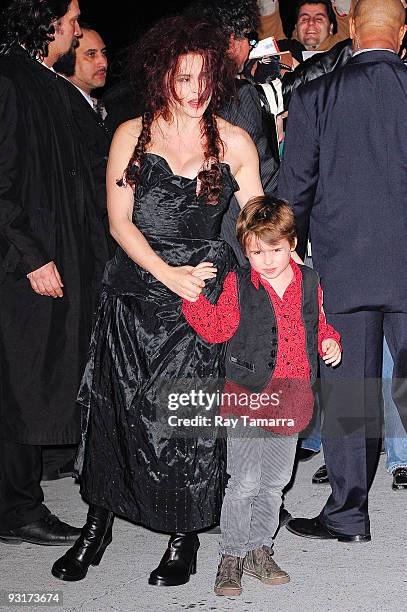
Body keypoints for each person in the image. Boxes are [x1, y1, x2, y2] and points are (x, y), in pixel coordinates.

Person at [51, 16, 264, 586]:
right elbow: (120, 224)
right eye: (183, 78)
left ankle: (182, 536)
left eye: (204, 79)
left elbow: (254, 223)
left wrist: (280, 264)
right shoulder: (131, 135)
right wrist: (168, 275)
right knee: (117, 414)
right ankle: (96, 528)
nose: (195, 91)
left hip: (200, 300)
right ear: (161, 78)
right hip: (136, 292)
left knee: (184, 422)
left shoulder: (234, 141)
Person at [278, 0, 407, 541]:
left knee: (349, 390)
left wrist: (283, 260)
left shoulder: (313, 97)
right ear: (403, 32)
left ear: (351, 28)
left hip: (343, 268)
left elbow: (293, 194)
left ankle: (349, 514)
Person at [182, 196, 341, 595]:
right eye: (256, 252)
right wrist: (193, 294)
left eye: (276, 250)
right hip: (246, 396)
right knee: (245, 482)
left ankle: (259, 550)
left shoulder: (311, 281)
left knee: (274, 482)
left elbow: (319, 324)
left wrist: (329, 342)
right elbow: (217, 328)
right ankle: (231, 555)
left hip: (293, 397)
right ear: (245, 249)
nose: (268, 260)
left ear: (292, 244)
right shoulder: (238, 283)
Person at [0, 0, 110, 547]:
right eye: (69, 16)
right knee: (21, 385)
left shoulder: (52, 85)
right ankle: (17, 508)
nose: (75, 23)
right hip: (28, 267)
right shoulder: (10, 80)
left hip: (59, 259)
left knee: (39, 380)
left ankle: (21, 499)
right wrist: (32, 256)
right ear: (43, 22)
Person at [185, 0, 280, 266]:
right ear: (229, 39)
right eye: (247, 39)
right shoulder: (239, 94)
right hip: (236, 235)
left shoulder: (182, 94)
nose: (250, 47)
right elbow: (261, 172)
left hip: (192, 239)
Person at [259, 0, 351, 60]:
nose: (311, 22)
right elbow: (268, 26)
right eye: (304, 19)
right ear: (296, 27)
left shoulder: (343, 52)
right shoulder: (282, 51)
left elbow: (348, 21)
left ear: (330, 28)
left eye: (319, 19)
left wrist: (342, 5)